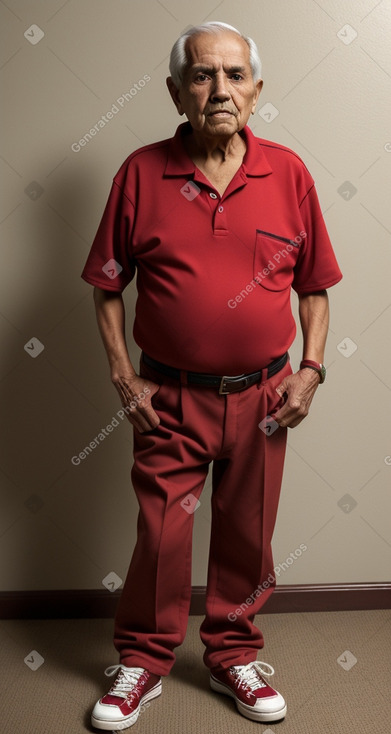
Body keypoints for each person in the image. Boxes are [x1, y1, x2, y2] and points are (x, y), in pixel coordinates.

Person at [81, 21, 342, 730]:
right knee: (161, 533)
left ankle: (232, 654)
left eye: (233, 75)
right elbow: (106, 284)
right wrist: (121, 375)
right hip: (167, 395)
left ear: (256, 90)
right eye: (201, 75)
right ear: (175, 91)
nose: (218, 89)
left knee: (247, 534)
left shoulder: (288, 173)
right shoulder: (139, 172)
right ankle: (143, 658)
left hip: (264, 395)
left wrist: (311, 370)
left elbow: (314, 286)